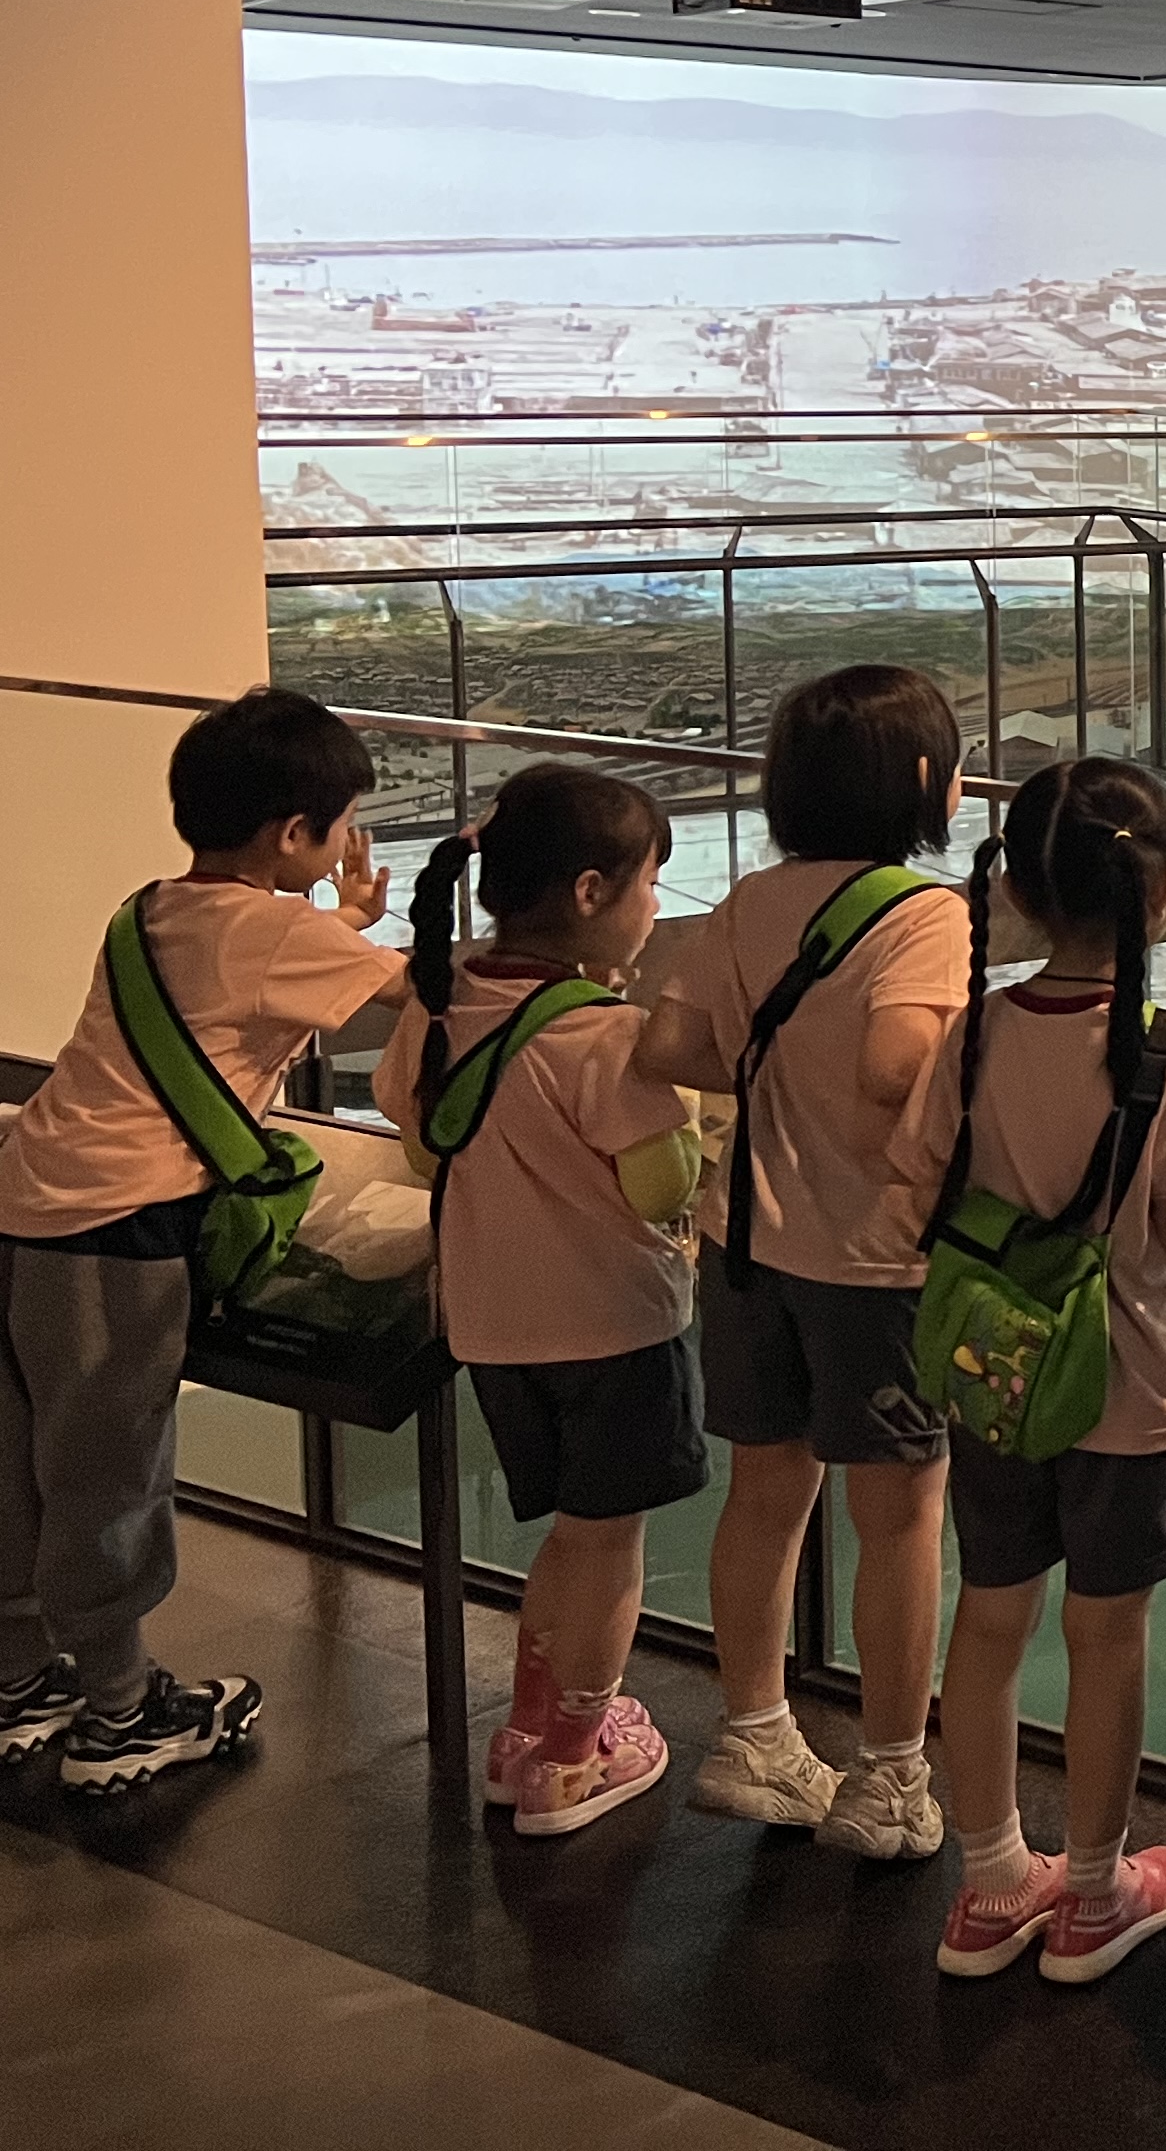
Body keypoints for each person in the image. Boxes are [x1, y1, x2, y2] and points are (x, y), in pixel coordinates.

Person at [1, 689, 398, 1791]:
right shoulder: (279, 932)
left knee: (19, 1458)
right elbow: (431, 999)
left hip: (25, 1196)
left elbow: (250, 969)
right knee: (108, 1470)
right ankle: (122, 1713)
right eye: (340, 827)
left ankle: (20, 1678)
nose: (345, 846)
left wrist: (336, 917)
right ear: (294, 833)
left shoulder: (151, 911)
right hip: (117, 1225)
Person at [895, 760, 1166, 1986]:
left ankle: (994, 1883)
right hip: (1129, 1385)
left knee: (991, 1616)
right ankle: (1096, 1892)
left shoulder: (976, 1030)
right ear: (1162, 889)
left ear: (1022, 893)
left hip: (992, 1374)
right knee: (1108, 1636)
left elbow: (920, 1181)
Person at [636, 664, 976, 1854]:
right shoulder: (925, 914)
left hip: (746, 1241)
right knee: (902, 1515)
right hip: (874, 1259)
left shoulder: (750, 899)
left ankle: (754, 1736)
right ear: (924, 781)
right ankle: (889, 1778)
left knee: (765, 1489)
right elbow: (897, 1066)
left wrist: (779, 1074)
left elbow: (669, 1043)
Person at [382, 764, 697, 1837]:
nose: (655, 904)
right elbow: (660, 1184)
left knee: (570, 1533)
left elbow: (422, 1145)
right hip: (612, 1325)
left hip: (493, 1325)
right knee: (610, 1547)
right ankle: (573, 1756)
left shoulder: (441, 1005)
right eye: (650, 882)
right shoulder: (601, 1034)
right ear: (591, 893)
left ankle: (522, 1730)